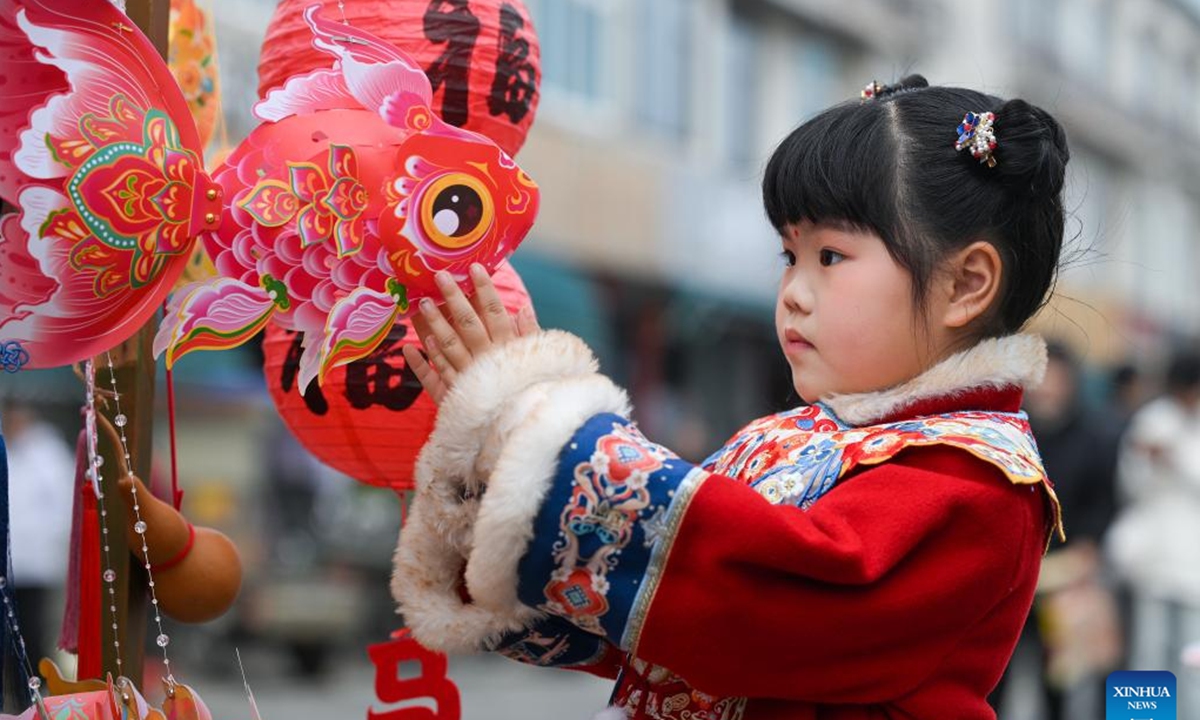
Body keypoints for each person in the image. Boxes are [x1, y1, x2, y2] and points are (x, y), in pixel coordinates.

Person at [392, 75, 1068, 719]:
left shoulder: (979, 480)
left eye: (830, 257)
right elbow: (644, 621)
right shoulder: (791, 437)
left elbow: (755, 609)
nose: (794, 292)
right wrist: (493, 459)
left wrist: (530, 419)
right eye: (789, 257)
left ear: (965, 284)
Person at [992, 341, 1121, 719]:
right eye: (1043, 378)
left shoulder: (1093, 437)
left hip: (1064, 578)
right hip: (1011, 578)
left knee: (1060, 680)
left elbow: (1104, 501)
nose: (1049, 387)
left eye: (1058, 378)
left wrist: (1088, 548)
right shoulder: (1011, 432)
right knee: (997, 675)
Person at [1107, 348, 1200, 720]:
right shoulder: (1152, 419)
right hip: (1152, 559)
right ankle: (1139, 716)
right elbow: (1129, 486)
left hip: (1193, 565)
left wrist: (1173, 458)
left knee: (1191, 656)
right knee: (1146, 655)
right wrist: (1146, 461)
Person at [1, 398, 75, 669]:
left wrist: (49, 538)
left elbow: (63, 502)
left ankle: (31, 685)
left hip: (35, 559)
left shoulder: (48, 453)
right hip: (8, 557)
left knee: (31, 625)